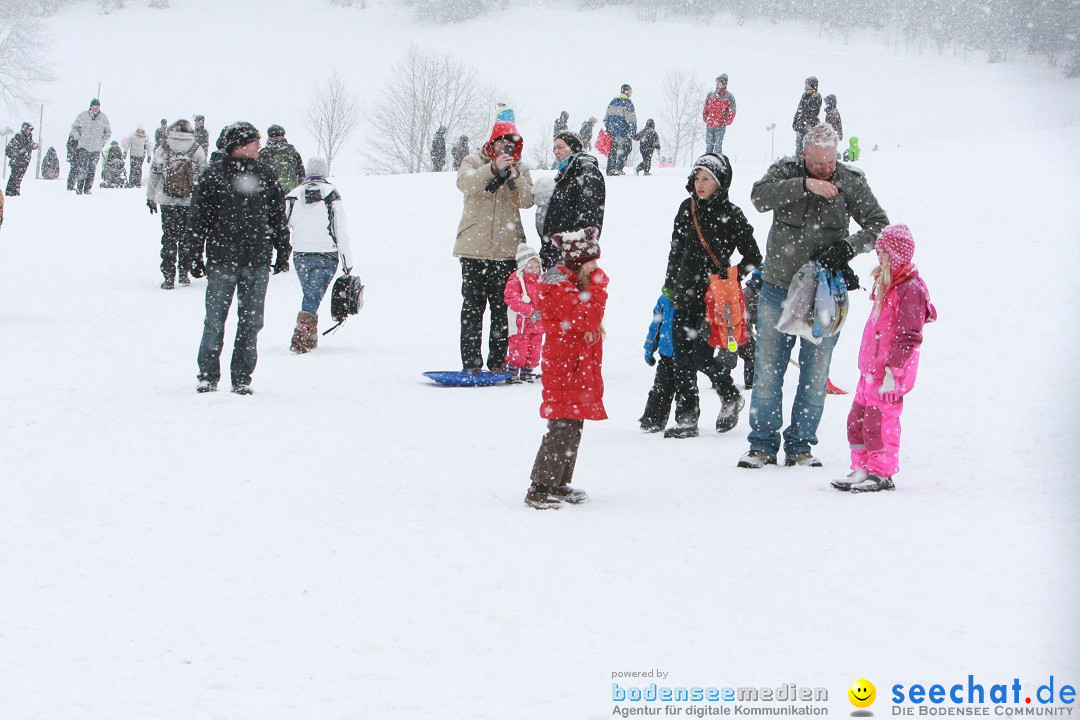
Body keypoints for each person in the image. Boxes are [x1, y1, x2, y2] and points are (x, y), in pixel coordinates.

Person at [739, 122, 889, 469]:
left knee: (815, 373)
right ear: (804, 155)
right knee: (767, 370)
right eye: (819, 163)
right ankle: (761, 445)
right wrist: (805, 185)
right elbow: (759, 197)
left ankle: (800, 446)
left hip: (825, 291)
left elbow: (879, 223)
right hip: (778, 287)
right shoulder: (786, 172)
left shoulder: (850, 180)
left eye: (831, 162)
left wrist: (848, 247)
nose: (827, 169)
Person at [662, 153, 762, 439]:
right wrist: (669, 285)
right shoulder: (686, 208)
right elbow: (675, 249)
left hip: (713, 298)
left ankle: (730, 395)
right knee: (681, 357)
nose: (700, 183)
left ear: (720, 182)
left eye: (706, 178)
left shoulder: (732, 213)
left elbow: (754, 256)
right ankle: (686, 418)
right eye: (697, 178)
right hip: (684, 293)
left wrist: (731, 276)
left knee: (701, 356)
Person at [187, 121, 291, 395]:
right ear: (239, 145)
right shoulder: (214, 175)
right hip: (223, 260)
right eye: (254, 141)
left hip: (257, 261)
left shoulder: (265, 174)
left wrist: (283, 249)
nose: (259, 144)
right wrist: (194, 254)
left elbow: (278, 216)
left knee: (251, 322)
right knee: (215, 320)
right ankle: (208, 375)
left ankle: (242, 377)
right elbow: (198, 219)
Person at [831, 224, 936, 493]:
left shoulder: (909, 289)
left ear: (896, 254)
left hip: (889, 373)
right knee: (858, 419)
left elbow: (909, 334)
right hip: (870, 370)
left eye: (883, 252)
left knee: (880, 423)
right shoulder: (888, 283)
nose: (878, 256)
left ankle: (881, 471)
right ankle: (861, 466)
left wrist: (894, 370)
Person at [524, 229, 607, 509]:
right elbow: (586, 318)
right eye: (590, 261)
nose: (595, 267)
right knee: (561, 426)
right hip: (565, 366)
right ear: (576, 260)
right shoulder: (559, 286)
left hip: (573, 366)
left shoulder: (571, 282)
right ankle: (539, 488)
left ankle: (558, 483)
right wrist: (598, 286)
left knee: (572, 425)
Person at [453, 120, 535, 373]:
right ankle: (471, 364)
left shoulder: (520, 168)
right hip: (474, 251)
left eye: (511, 144)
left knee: (502, 311)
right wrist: (492, 169)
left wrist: (514, 177)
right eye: (502, 142)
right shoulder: (473, 162)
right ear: (491, 143)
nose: (506, 148)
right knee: (472, 309)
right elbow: (465, 184)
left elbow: (527, 200)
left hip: (507, 253)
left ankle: (498, 363)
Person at [285, 157, 354, 353]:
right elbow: (340, 229)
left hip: (300, 254)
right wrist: (347, 260)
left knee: (310, 294)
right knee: (313, 296)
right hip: (327, 253)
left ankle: (309, 337)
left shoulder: (293, 195)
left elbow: (283, 224)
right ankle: (300, 337)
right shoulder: (331, 194)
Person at [147, 119, 207, 289]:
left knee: (169, 238)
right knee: (186, 238)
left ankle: (168, 276)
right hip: (190, 201)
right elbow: (204, 173)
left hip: (168, 200)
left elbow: (154, 174)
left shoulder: (165, 147)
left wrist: (151, 197)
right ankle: (183, 273)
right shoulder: (196, 148)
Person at [540, 130, 605, 270]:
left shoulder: (586, 170)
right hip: (558, 250)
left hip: (573, 252)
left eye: (560, 147)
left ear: (574, 147)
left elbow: (588, 213)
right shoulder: (565, 174)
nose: (555, 151)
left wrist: (578, 250)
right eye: (554, 148)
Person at [503, 243, 545, 383]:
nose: (534, 270)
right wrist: (529, 311)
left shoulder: (542, 281)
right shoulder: (516, 280)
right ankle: (513, 370)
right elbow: (511, 299)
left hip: (537, 324)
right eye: (530, 267)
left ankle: (528, 370)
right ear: (522, 266)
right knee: (518, 347)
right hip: (521, 324)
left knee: (534, 348)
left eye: (536, 266)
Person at [639, 291, 676, 433]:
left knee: (684, 388)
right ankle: (652, 420)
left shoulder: (690, 296)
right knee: (661, 387)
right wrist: (650, 345)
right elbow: (656, 324)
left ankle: (686, 419)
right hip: (666, 351)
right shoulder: (665, 298)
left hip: (684, 352)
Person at [69, 98, 111, 195]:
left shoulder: (103, 118)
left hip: (96, 148)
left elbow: (108, 132)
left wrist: (102, 142)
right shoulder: (83, 116)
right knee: (81, 168)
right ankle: (79, 188)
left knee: (92, 169)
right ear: (90, 106)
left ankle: (88, 188)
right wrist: (78, 137)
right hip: (83, 146)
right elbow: (74, 127)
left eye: (97, 106)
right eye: (94, 105)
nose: (96, 108)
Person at [258, 124, 305, 193]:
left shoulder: (263, 154)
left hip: (271, 196)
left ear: (269, 137)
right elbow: (302, 176)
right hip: (292, 194)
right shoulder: (293, 152)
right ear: (283, 136)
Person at [603, 84, 637, 176]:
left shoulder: (612, 102)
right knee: (627, 148)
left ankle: (610, 169)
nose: (631, 93)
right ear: (627, 91)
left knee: (613, 150)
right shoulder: (627, 103)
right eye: (630, 91)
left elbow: (606, 119)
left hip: (612, 132)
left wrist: (610, 128)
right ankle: (618, 168)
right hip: (623, 132)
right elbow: (631, 119)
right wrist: (632, 132)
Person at [702, 74, 737, 155]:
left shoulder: (729, 97)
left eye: (720, 82)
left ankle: (717, 163)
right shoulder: (710, 95)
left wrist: (726, 121)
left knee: (718, 146)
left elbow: (732, 111)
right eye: (717, 82)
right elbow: (706, 108)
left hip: (720, 125)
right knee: (709, 146)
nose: (718, 84)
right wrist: (706, 118)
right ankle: (708, 162)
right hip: (710, 124)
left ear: (724, 84)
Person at [5, 123, 38, 196]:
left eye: (30, 129)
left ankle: (15, 191)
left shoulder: (28, 138)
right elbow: (9, 150)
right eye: (28, 129)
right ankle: (11, 192)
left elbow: (30, 145)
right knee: (14, 177)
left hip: (24, 162)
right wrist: (19, 154)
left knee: (19, 178)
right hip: (17, 162)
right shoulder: (18, 138)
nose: (29, 131)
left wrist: (34, 146)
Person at [792, 76, 822, 155]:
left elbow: (812, 113)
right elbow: (799, 110)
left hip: (809, 127)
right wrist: (795, 122)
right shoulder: (804, 95)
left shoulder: (817, 97)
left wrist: (806, 124)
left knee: (807, 148)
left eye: (808, 85)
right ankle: (799, 163)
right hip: (800, 127)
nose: (806, 87)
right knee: (799, 147)